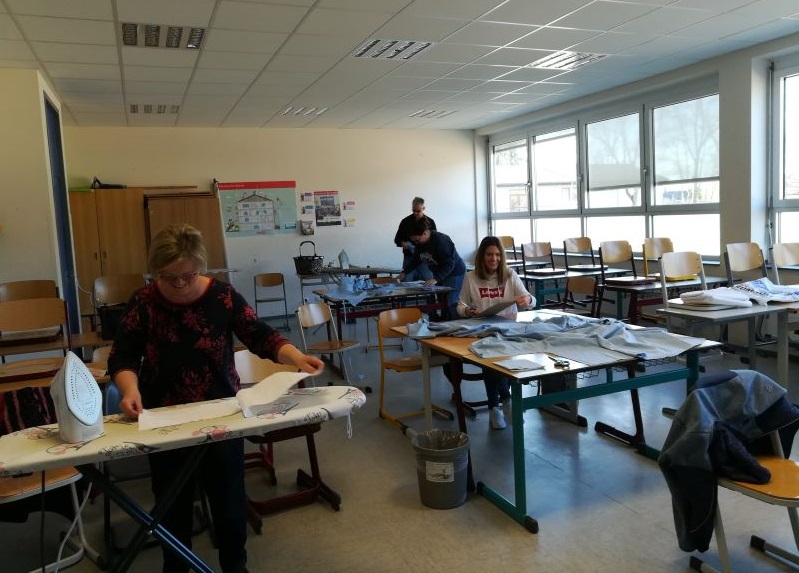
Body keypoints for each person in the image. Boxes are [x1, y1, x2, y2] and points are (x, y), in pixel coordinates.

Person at [107, 224, 324, 573]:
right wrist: (129, 389)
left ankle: (234, 566)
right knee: (171, 504)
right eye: (168, 276)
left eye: (187, 275)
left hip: (222, 412)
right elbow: (123, 357)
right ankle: (175, 566)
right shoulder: (144, 301)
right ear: (155, 270)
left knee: (229, 501)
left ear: (201, 267)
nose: (179, 284)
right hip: (163, 418)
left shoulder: (222, 296)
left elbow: (260, 336)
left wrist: (297, 357)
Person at [456, 236, 535, 430]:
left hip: (510, 330)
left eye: (498, 255)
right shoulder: (471, 277)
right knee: (491, 361)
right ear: (482, 256)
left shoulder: (510, 275)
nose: (494, 259)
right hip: (484, 331)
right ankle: (506, 402)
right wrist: (467, 311)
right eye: (490, 254)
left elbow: (531, 299)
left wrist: (528, 301)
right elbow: (460, 305)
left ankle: (495, 408)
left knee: (500, 366)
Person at [397, 217, 466, 318]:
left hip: (454, 273)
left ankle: (453, 326)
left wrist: (436, 279)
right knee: (441, 301)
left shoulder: (442, 240)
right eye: (414, 241)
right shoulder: (420, 244)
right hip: (439, 273)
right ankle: (443, 324)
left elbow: (450, 264)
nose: (416, 243)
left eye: (417, 240)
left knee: (450, 302)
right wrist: (405, 272)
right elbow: (416, 259)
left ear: (425, 233)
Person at [393, 197, 436, 271]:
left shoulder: (430, 222)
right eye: (413, 210)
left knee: (427, 281)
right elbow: (397, 239)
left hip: (425, 257)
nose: (415, 213)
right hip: (409, 257)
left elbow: (434, 240)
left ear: (424, 208)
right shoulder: (405, 222)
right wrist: (402, 243)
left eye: (418, 211)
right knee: (406, 281)